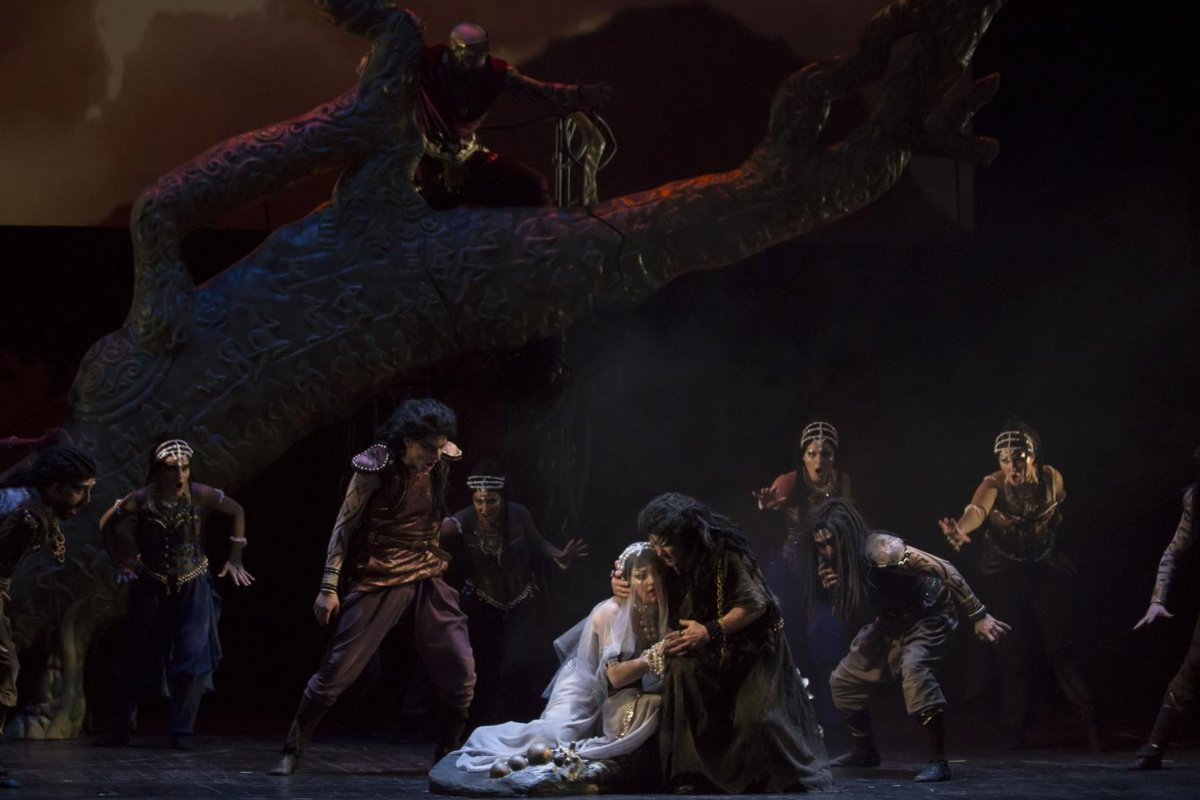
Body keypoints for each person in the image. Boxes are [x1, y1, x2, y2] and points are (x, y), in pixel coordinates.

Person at [270, 398, 474, 775]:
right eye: (427, 447)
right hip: (380, 573)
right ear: (407, 440)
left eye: (439, 446)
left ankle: (446, 751)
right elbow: (343, 527)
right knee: (338, 669)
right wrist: (328, 586)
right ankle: (292, 748)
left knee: (460, 668)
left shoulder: (441, 458)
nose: (435, 455)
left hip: (427, 572)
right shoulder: (376, 465)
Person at [430, 542, 670, 794]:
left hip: (614, 696)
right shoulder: (612, 611)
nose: (651, 582)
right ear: (625, 579)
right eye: (640, 576)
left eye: (656, 574)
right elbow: (613, 676)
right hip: (584, 690)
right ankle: (486, 737)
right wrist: (655, 656)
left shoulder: (656, 607)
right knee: (556, 736)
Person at [638, 492, 832, 794]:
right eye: (655, 543)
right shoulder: (670, 559)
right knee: (681, 669)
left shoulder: (726, 555)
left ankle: (761, 777)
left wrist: (710, 630)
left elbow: (755, 605)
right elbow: (637, 568)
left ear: (686, 536)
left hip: (754, 650)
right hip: (709, 650)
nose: (660, 551)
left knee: (757, 720)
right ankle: (692, 774)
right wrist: (619, 579)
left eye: (666, 543)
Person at [810, 499, 1009, 782]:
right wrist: (837, 591)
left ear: (846, 534)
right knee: (843, 681)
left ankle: (939, 761)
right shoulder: (832, 562)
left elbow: (944, 567)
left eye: (831, 542)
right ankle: (865, 751)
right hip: (892, 622)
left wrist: (978, 614)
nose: (827, 550)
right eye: (820, 545)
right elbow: (849, 617)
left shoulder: (882, 549)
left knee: (915, 669)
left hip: (929, 614)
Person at [938, 418, 1101, 749]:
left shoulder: (1051, 479)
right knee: (1010, 645)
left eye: (1018, 458)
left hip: (1042, 564)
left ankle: (1089, 719)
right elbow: (977, 510)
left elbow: (1060, 516)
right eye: (1004, 459)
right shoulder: (994, 483)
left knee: (1059, 644)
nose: (1012, 466)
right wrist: (961, 528)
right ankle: (1013, 725)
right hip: (1005, 568)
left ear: (1033, 457)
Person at [95, 439, 253, 750]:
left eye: (185, 467)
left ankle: (182, 731)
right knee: (135, 656)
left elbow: (236, 510)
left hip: (193, 584)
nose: (180, 475)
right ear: (158, 470)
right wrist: (120, 561)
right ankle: (119, 728)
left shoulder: (198, 494)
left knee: (192, 657)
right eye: (172, 468)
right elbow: (106, 524)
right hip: (152, 584)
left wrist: (235, 557)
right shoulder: (141, 499)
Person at [441, 462, 588, 724]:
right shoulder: (463, 520)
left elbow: (538, 542)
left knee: (520, 662)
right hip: (483, 601)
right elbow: (438, 534)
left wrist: (558, 555)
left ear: (502, 498)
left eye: (491, 501)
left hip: (521, 598)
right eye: (479, 501)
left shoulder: (518, 514)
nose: (484, 508)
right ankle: (479, 724)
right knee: (482, 665)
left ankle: (519, 720)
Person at [415, 22, 612, 209]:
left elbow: (539, 91)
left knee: (533, 186)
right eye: (470, 58)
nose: (477, 65)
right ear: (455, 50)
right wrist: (406, 21)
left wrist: (579, 93)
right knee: (428, 206)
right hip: (425, 164)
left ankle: (544, 231)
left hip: (469, 158)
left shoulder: (492, 72)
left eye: (480, 57)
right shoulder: (426, 64)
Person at [0, 443, 96, 788]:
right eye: (80, 490)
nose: (86, 500)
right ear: (55, 487)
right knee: (3, 670)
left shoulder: (30, 500)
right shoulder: (28, 516)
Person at [753, 419, 851, 727]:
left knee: (827, 635)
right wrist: (769, 504)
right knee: (789, 637)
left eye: (825, 453)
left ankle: (831, 720)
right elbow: (773, 499)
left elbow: (847, 524)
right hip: (789, 569)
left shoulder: (841, 481)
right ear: (804, 455)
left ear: (834, 456)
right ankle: (791, 716)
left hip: (824, 566)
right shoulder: (791, 480)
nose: (819, 460)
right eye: (812, 453)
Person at [1129, 445, 1200, 770]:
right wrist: (1157, 600)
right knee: (1193, 666)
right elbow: (1173, 552)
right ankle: (1155, 747)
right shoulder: (1196, 499)